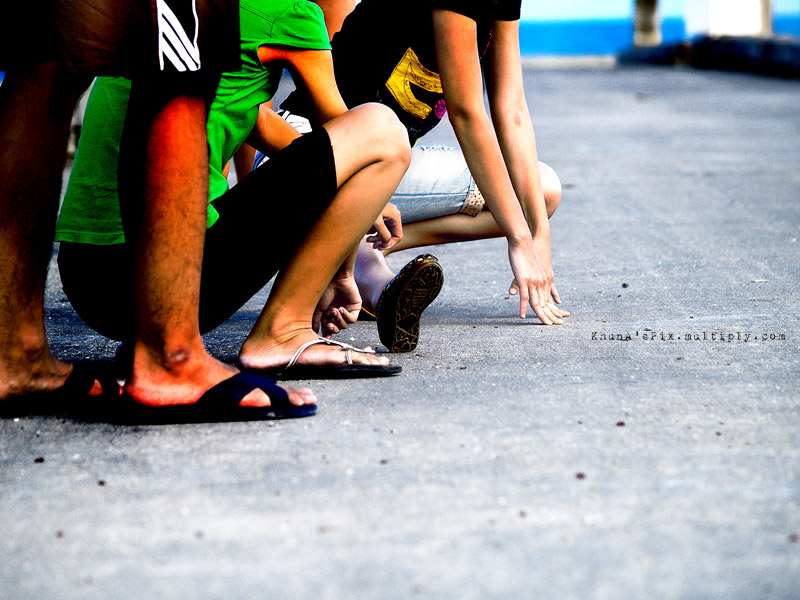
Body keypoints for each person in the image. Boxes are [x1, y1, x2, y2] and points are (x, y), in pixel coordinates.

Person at [55, 0, 410, 382]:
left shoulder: (179, 9)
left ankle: (154, 344)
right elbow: (354, 136)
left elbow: (254, 118)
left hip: (86, 277)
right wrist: (340, 269)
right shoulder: (289, 12)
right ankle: (284, 331)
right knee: (383, 130)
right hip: (173, 278)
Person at [1, 0, 320, 420]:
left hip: (85, 278)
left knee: (46, 53)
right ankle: (172, 359)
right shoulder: (293, 15)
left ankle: (13, 352)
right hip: (110, 284)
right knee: (178, 62)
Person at [280, 0, 570, 353]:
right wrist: (519, 239)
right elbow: (466, 111)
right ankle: (375, 285)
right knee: (518, 211)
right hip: (307, 149)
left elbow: (512, 109)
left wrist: (539, 236)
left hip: (386, 168)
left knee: (542, 190)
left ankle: (352, 253)